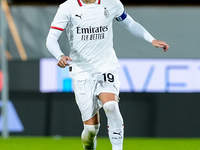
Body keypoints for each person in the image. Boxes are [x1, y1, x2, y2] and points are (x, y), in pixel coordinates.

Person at [46, 0, 169, 149]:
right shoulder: (67, 7)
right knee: (91, 131)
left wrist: (152, 39)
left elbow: (130, 23)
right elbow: (51, 38)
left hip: (106, 66)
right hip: (81, 72)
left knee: (111, 106)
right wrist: (59, 55)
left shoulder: (112, 3)